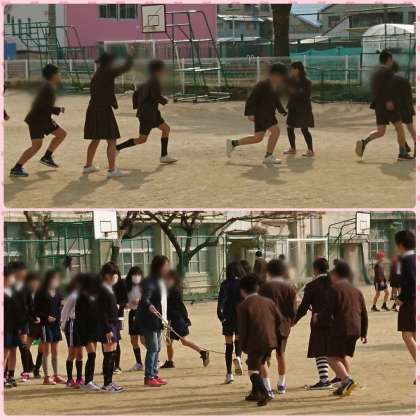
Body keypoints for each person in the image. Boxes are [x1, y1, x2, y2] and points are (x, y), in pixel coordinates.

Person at [316, 261, 368, 397]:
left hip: (341, 328)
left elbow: (328, 310)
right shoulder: (356, 290)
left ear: (337, 275)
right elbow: (364, 313)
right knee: (343, 355)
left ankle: (347, 380)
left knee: (331, 358)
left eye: (332, 274)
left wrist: (318, 319)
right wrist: (364, 332)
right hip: (355, 328)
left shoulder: (335, 289)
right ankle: (344, 386)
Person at [83, 50, 133, 178]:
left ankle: (88, 166)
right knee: (112, 140)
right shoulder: (107, 71)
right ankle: (112, 170)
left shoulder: (99, 72)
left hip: (93, 108)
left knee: (95, 139)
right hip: (103, 109)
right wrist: (129, 55)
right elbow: (126, 67)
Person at [355, 50, 413, 161]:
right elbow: (387, 88)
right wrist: (388, 101)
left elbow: (377, 89)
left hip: (379, 106)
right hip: (389, 106)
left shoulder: (377, 73)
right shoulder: (387, 72)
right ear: (389, 60)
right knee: (399, 128)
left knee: (380, 131)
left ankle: (364, 142)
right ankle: (402, 153)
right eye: (392, 59)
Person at [10, 64, 67, 177]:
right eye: (58, 73)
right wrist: (58, 109)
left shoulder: (49, 86)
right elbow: (42, 107)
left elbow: (42, 106)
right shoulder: (48, 87)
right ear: (53, 75)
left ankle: (47, 157)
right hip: (37, 120)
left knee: (61, 134)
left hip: (43, 118)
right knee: (36, 145)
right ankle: (16, 168)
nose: (59, 75)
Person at [116, 59, 177, 164]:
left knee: (166, 129)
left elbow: (136, 94)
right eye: (163, 69)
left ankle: (164, 156)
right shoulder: (154, 80)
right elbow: (155, 96)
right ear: (158, 70)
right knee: (142, 139)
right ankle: (117, 148)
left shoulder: (147, 79)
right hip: (147, 114)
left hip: (151, 112)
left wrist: (138, 106)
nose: (164, 71)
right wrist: (165, 100)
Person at [237, 274, 284, 407]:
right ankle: (263, 392)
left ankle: (266, 393)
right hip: (271, 339)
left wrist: (243, 346)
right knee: (261, 364)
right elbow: (279, 320)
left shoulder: (243, 306)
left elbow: (243, 329)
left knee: (252, 371)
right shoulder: (269, 301)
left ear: (242, 290)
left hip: (255, 341)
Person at [226, 63, 288, 165]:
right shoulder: (262, 85)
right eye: (281, 76)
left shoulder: (274, 85)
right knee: (275, 131)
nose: (282, 79)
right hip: (262, 114)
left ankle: (233, 143)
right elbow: (251, 99)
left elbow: (276, 100)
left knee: (258, 138)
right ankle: (268, 156)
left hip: (268, 114)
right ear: (275, 75)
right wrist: (250, 113)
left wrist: (282, 111)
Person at [294, 257, 335, 390]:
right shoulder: (335, 283)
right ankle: (341, 377)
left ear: (315, 269)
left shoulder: (312, 286)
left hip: (319, 321)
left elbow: (303, 308)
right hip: (336, 320)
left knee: (320, 350)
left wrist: (293, 321)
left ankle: (324, 380)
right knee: (335, 350)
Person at [260, 259, 297, 394]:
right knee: (281, 354)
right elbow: (293, 311)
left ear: (268, 272)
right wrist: (291, 322)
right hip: (283, 326)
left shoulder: (263, 288)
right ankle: (281, 383)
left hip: (266, 326)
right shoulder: (289, 288)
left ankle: (267, 386)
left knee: (262, 358)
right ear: (283, 271)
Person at [161, 270, 210, 368]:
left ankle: (202, 352)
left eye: (167, 279)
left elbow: (170, 306)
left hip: (176, 319)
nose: (166, 280)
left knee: (178, 341)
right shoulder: (174, 289)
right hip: (177, 318)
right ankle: (170, 361)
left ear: (173, 279)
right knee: (172, 341)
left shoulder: (173, 290)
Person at [137, 255, 170, 387]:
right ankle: (149, 377)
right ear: (159, 267)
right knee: (153, 348)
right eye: (166, 266)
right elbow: (145, 298)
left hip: (158, 320)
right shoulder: (150, 281)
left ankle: (154, 374)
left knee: (158, 348)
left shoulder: (160, 281)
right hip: (148, 320)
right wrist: (149, 305)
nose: (167, 268)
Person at [34, 269, 65, 385]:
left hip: (55, 325)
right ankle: (46, 377)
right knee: (46, 351)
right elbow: (35, 309)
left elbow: (61, 306)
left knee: (55, 351)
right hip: (45, 325)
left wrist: (60, 316)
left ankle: (55, 375)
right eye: (55, 278)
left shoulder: (59, 291)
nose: (57, 280)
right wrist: (46, 317)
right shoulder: (41, 292)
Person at [217, 261, 246, 384]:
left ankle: (229, 374)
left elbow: (221, 301)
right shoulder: (243, 283)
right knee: (238, 339)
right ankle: (238, 357)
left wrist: (221, 316)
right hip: (241, 316)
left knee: (228, 345)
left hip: (228, 317)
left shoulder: (225, 284)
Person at [97, 263, 124, 392]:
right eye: (113, 274)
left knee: (113, 353)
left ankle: (110, 381)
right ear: (107, 275)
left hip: (114, 324)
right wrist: (107, 329)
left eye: (116, 274)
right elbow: (101, 312)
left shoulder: (109, 288)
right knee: (108, 354)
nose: (115, 277)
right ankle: (107, 383)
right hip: (107, 325)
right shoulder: (102, 290)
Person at [394, 230, 416, 380]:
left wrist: (401, 298)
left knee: (407, 334)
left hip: (411, 301)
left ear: (400, 245)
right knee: (414, 334)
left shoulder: (406, 260)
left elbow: (411, 283)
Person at [75, 272, 101, 391]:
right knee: (92, 354)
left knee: (93, 355)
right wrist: (82, 331)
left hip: (94, 329)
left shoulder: (95, 294)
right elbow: (79, 315)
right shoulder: (82, 296)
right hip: (85, 330)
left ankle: (90, 380)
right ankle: (88, 381)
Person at [284, 61, 315, 157]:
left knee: (304, 128)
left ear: (297, 70)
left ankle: (310, 150)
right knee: (289, 127)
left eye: (292, 69)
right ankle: (292, 149)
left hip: (303, 109)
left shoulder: (306, 82)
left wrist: (294, 92)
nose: (291, 71)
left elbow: (305, 95)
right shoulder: (292, 81)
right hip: (293, 107)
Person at [9, 261, 32, 381]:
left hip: (22, 321)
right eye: (22, 271)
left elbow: (30, 304)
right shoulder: (8, 286)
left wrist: (33, 317)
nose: (24, 273)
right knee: (10, 348)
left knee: (23, 346)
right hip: (10, 321)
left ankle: (26, 371)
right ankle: (9, 374)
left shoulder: (26, 287)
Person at [60, 276, 83, 389]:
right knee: (72, 352)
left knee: (80, 354)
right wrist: (64, 326)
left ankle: (79, 378)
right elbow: (64, 311)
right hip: (72, 325)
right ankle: (69, 380)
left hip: (81, 325)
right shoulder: (73, 296)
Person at [125, 266, 144, 372]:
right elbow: (124, 301)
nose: (136, 277)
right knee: (133, 340)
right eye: (134, 274)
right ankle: (139, 363)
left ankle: (155, 359)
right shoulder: (128, 286)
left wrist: (139, 301)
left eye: (138, 274)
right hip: (132, 312)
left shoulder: (144, 286)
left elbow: (148, 299)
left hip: (142, 313)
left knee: (143, 340)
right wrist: (127, 304)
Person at [25, 272, 43, 378]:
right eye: (32, 282)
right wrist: (32, 319)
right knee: (25, 347)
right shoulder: (26, 294)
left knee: (42, 348)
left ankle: (37, 370)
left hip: (42, 324)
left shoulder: (42, 294)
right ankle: (31, 365)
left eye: (35, 282)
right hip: (32, 324)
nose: (34, 284)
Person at [4, 266, 19, 388]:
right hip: (5, 327)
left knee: (13, 350)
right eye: (11, 277)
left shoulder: (13, 292)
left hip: (14, 326)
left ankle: (11, 376)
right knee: (4, 352)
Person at [112, 268, 127, 374]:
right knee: (106, 341)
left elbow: (125, 299)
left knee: (115, 340)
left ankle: (116, 365)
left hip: (118, 316)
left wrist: (119, 305)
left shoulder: (121, 284)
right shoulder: (104, 285)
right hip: (107, 316)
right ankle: (109, 365)